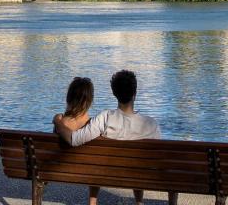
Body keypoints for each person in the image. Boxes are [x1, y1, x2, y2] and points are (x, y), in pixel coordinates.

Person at [53, 70, 176, 205]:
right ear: (135, 94)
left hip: (109, 175)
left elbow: (74, 139)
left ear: (114, 93)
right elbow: (160, 158)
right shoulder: (151, 124)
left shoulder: (104, 118)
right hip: (142, 175)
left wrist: (58, 121)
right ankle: (140, 202)